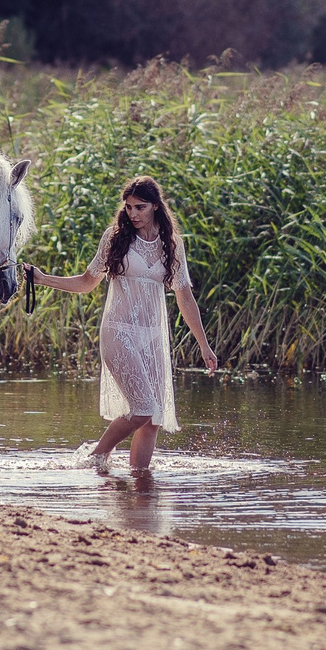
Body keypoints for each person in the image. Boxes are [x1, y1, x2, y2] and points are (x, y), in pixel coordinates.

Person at [24, 175, 217, 478]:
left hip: (152, 335)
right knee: (142, 408)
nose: (133, 214)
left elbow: (185, 296)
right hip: (118, 330)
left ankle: (140, 482)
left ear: (156, 206)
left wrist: (204, 345)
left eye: (140, 207)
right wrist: (42, 278)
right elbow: (88, 283)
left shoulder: (171, 245)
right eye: (128, 208)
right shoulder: (116, 237)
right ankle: (96, 457)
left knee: (152, 418)